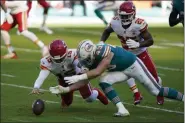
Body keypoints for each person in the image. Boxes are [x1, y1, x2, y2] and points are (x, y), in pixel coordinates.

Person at [50, 40, 184, 117]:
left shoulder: (103, 51)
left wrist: (78, 76)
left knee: (156, 91)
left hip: (133, 65)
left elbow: (97, 71)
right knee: (104, 81)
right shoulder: (89, 59)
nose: (84, 61)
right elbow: (85, 81)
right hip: (121, 70)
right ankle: (122, 109)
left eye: (84, 58)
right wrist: (66, 88)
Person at [99, 1, 164, 105]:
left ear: (133, 14)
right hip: (127, 53)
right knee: (127, 73)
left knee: (154, 77)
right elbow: (107, 31)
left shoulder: (138, 24)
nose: (124, 18)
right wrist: (101, 42)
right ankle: (137, 94)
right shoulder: (115, 22)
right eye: (122, 16)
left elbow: (150, 40)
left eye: (127, 16)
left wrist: (138, 44)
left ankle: (160, 94)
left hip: (141, 53)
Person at [31, 39, 108, 107]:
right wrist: (36, 86)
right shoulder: (46, 61)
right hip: (63, 79)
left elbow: (81, 72)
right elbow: (42, 75)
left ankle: (96, 92)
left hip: (77, 77)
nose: (59, 61)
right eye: (56, 60)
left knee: (89, 98)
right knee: (67, 103)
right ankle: (66, 99)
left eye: (61, 59)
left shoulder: (74, 55)